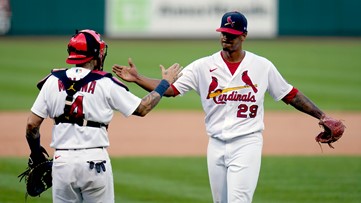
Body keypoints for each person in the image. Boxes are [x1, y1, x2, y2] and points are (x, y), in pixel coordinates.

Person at [112, 11, 345, 203]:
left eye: (232, 34)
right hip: (215, 145)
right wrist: (139, 77)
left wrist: (321, 115)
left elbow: (290, 94)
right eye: (224, 33)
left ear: (243, 35)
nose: (227, 38)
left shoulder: (261, 66)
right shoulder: (203, 66)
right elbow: (171, 89)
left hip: (247, 143)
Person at [25, 29, 181, 203]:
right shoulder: (105, 82)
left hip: (62, 163)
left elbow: (32, 125)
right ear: (96, 55)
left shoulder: (53, 80)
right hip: (94, 163)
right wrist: (164, 83)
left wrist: (36, 152)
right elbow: (143, 108)